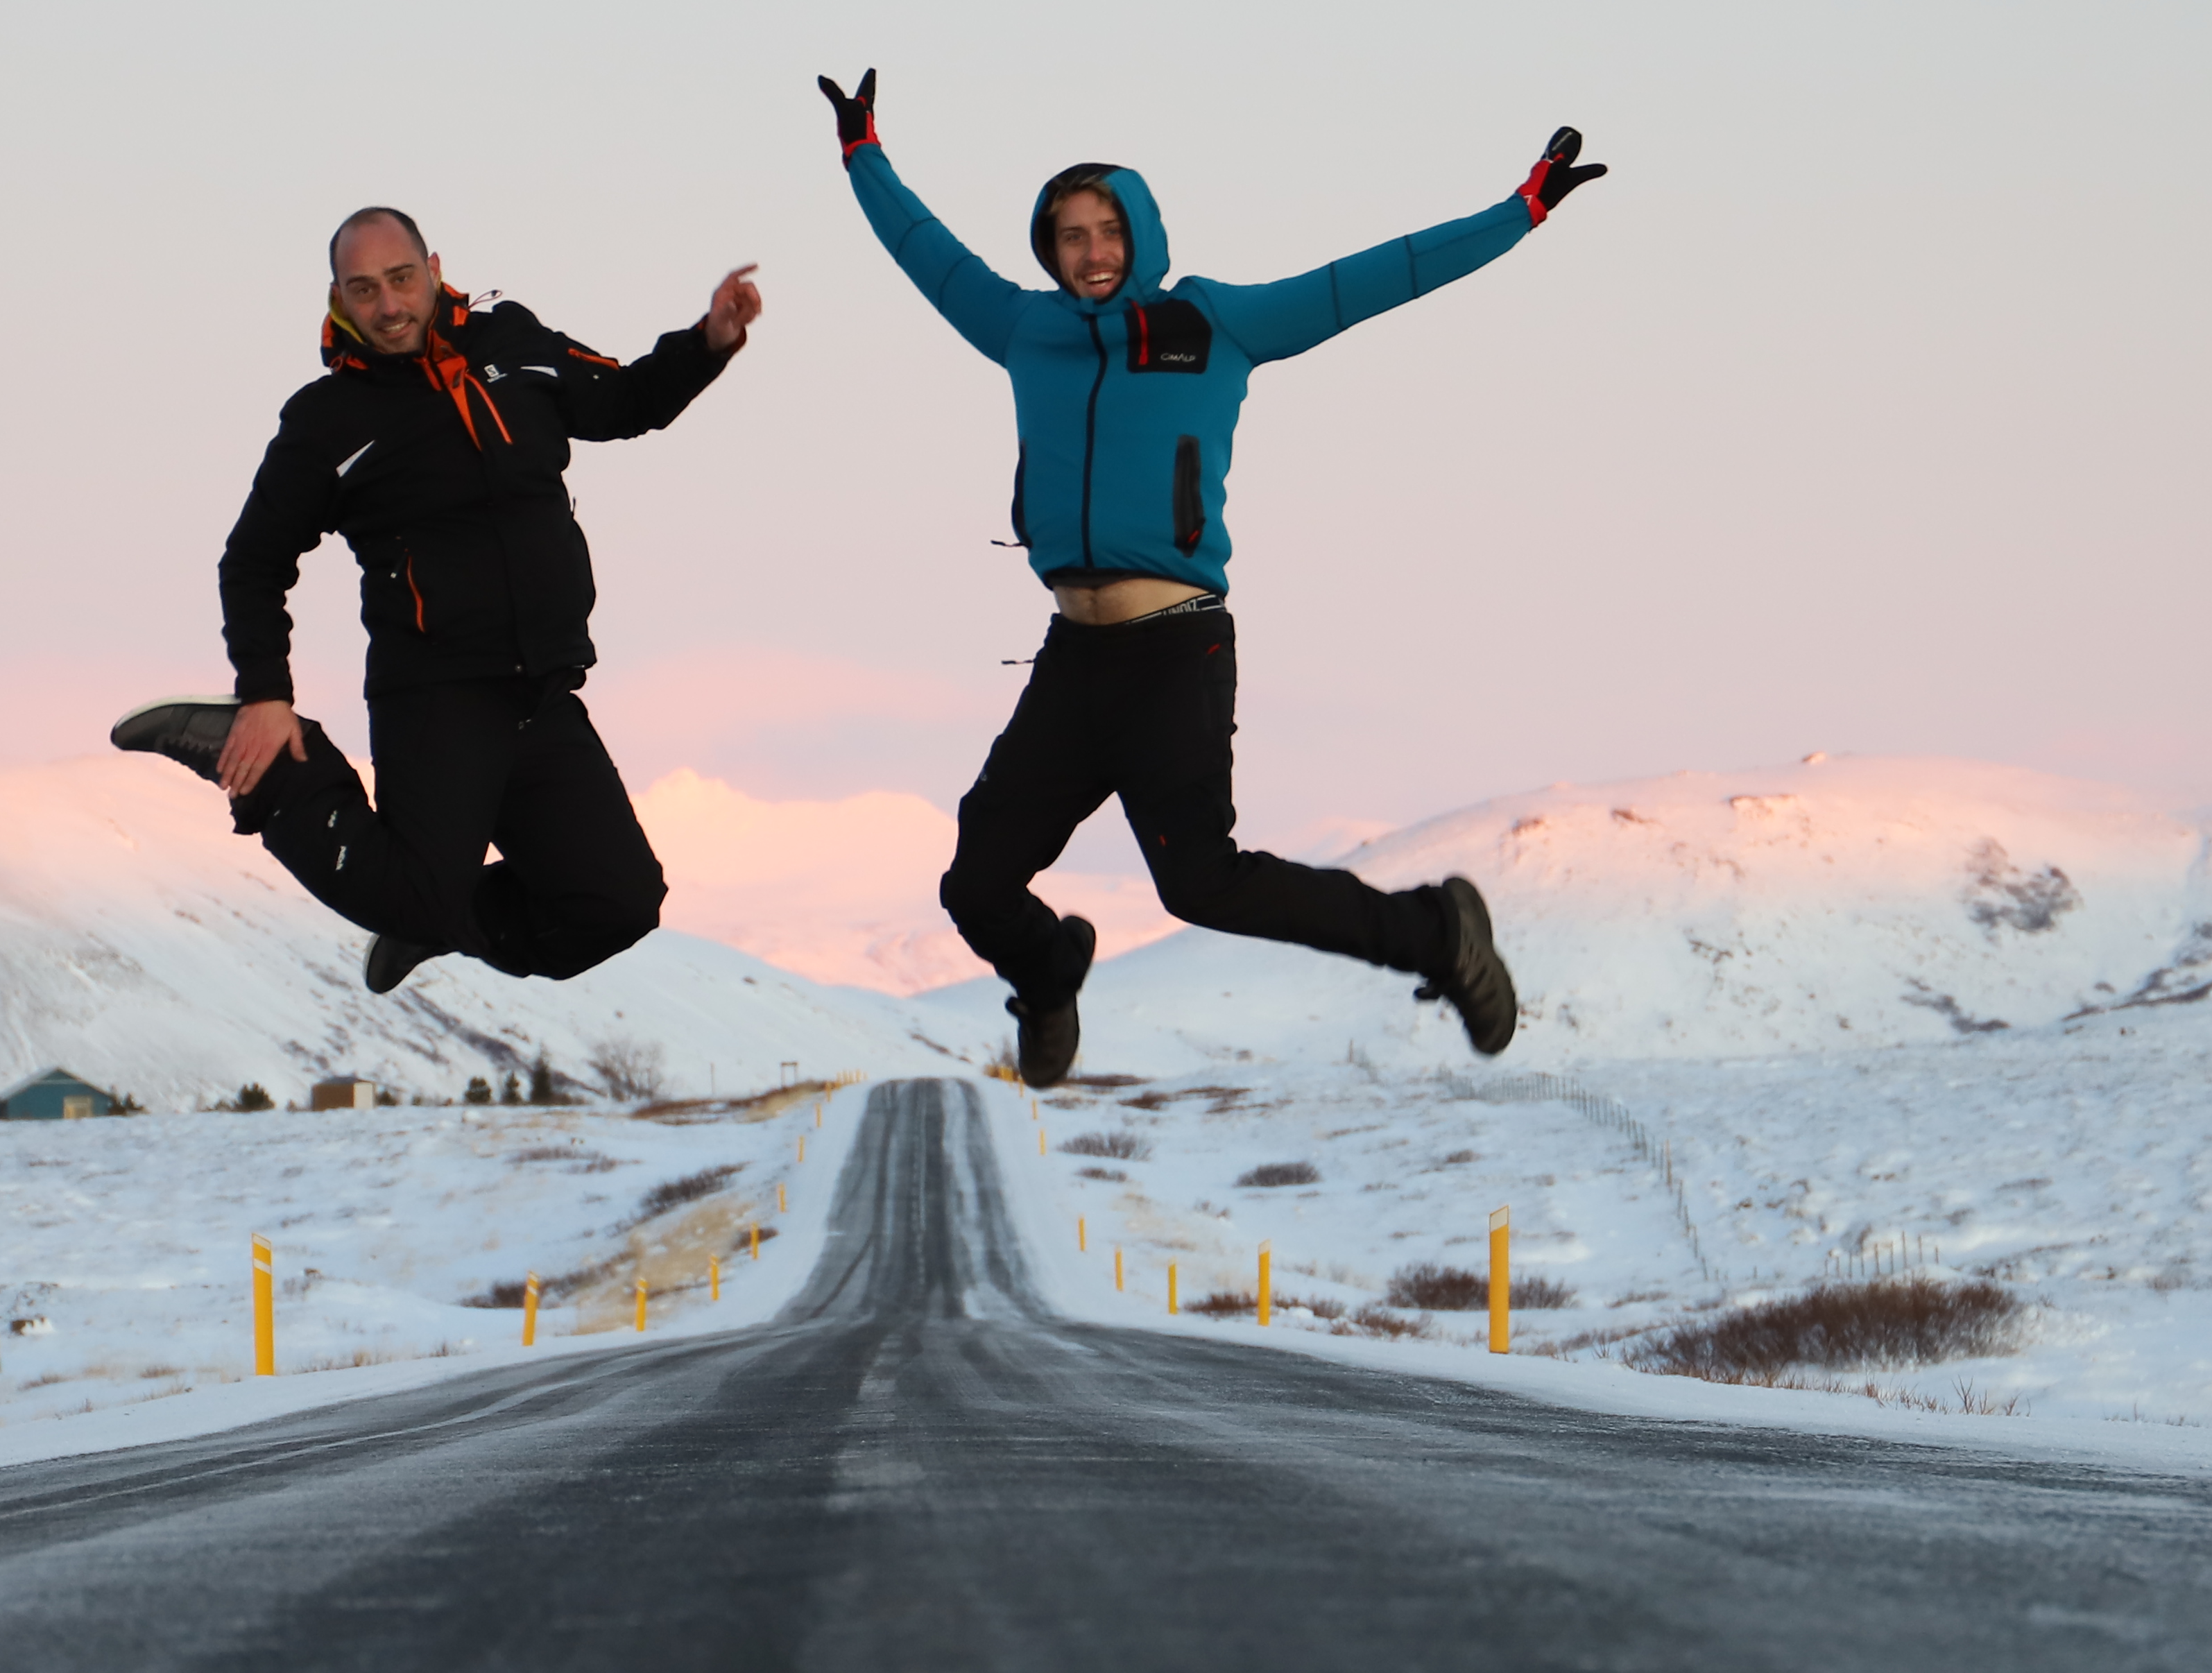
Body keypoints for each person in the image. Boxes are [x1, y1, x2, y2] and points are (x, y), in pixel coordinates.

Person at [817, 68, 1603, 1085]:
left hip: (1174, 647)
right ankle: (1050, 972)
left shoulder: (1212, 324)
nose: (1091, 253)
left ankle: (1437, 934)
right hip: (1074, 656)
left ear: (1139, 235)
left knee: (1202, 882)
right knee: (975, 883)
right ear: (1048, 250)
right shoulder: (1026, 330)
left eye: (1107, 231)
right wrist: (863, 153)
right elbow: (926, 254)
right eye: (1070, 236)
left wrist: (1520, 213)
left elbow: (1374, 277)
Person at [114, 207, 760, 993]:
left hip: (545, 691)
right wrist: (265, 693)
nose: (388, 306)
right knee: (410, 889)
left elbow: (622, 401)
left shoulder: (512, 343)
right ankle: (272, 773)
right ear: (337, 299)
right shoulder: (325, 422)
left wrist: (709, 343)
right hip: (437, 696)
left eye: (401, 279)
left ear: (434, 269)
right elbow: (252, 562)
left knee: (617, 905)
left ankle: (447, 922)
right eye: (364, 290)